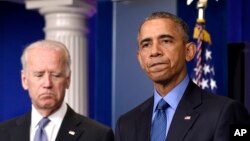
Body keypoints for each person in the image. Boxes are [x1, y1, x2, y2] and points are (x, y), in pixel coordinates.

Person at [115, 11, 250, 141]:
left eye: (166, 41)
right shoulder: (126, 124)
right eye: (146, 45)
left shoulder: (226, 112)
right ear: (140, 59)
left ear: (189, 51)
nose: (154, 51)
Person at [0, 40, 114, 141]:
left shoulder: (98, 136)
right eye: (39, 75)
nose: (47, 84)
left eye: (56, 75)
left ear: (68, 79)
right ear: (24, 80)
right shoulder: (3, 133)